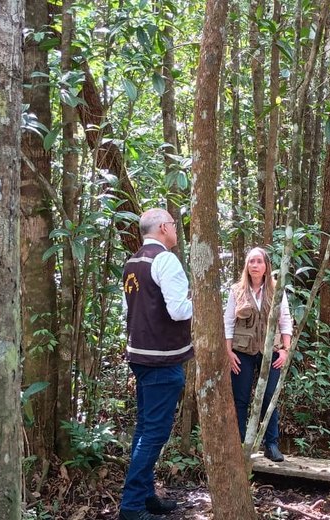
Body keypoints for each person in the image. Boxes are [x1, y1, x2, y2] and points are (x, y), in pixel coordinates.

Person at [119, 208, 193, 520]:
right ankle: (132, 506)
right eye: (174, 226)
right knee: (154, 433)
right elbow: (178, 311)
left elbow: (130, 307)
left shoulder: (132, 262)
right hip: (162, 360)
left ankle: (145, 497)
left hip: (140, 356)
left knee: (145, 429)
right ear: (164, 228)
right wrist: (204, 302)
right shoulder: (165, 260)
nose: (176, 231)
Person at [224, 247, 293, 462]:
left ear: (266, 266)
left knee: (268, 398)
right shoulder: (237, 290)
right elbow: (228, 322)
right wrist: (227, 352)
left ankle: (271, 444)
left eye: (259, 261)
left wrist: (285, 349)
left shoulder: (276, 290)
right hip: (241, 351)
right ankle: (240, 445)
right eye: (251, 261)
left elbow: (285, 319)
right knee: (241, 399)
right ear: (246, 265)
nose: (255, 265)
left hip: (270, 351)